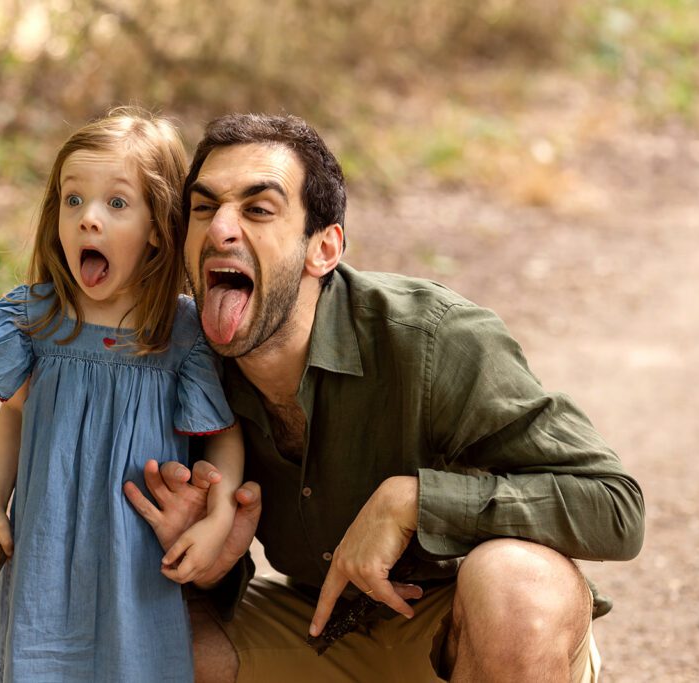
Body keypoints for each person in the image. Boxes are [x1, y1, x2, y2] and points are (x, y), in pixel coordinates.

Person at [124, 113, 645, 682]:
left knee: (515, 582)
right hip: (320, 629)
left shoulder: (435, 339)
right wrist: (209, 567)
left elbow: (615, 508)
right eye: (204, 208)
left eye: (258, 209)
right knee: (143, 638)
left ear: (324, 249)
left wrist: (415, 502)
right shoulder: (175, 362)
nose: (221, 228)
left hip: (462, 632)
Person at [0, 107, 244, 682]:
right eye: (73, 199)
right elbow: (15, 414)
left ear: (159, 227)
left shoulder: (180, 334)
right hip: (46, 547)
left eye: (117, 203)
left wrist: (217, 513)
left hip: (135, 561)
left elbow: (223, 437)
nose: (87, 220)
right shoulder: (36, 318)